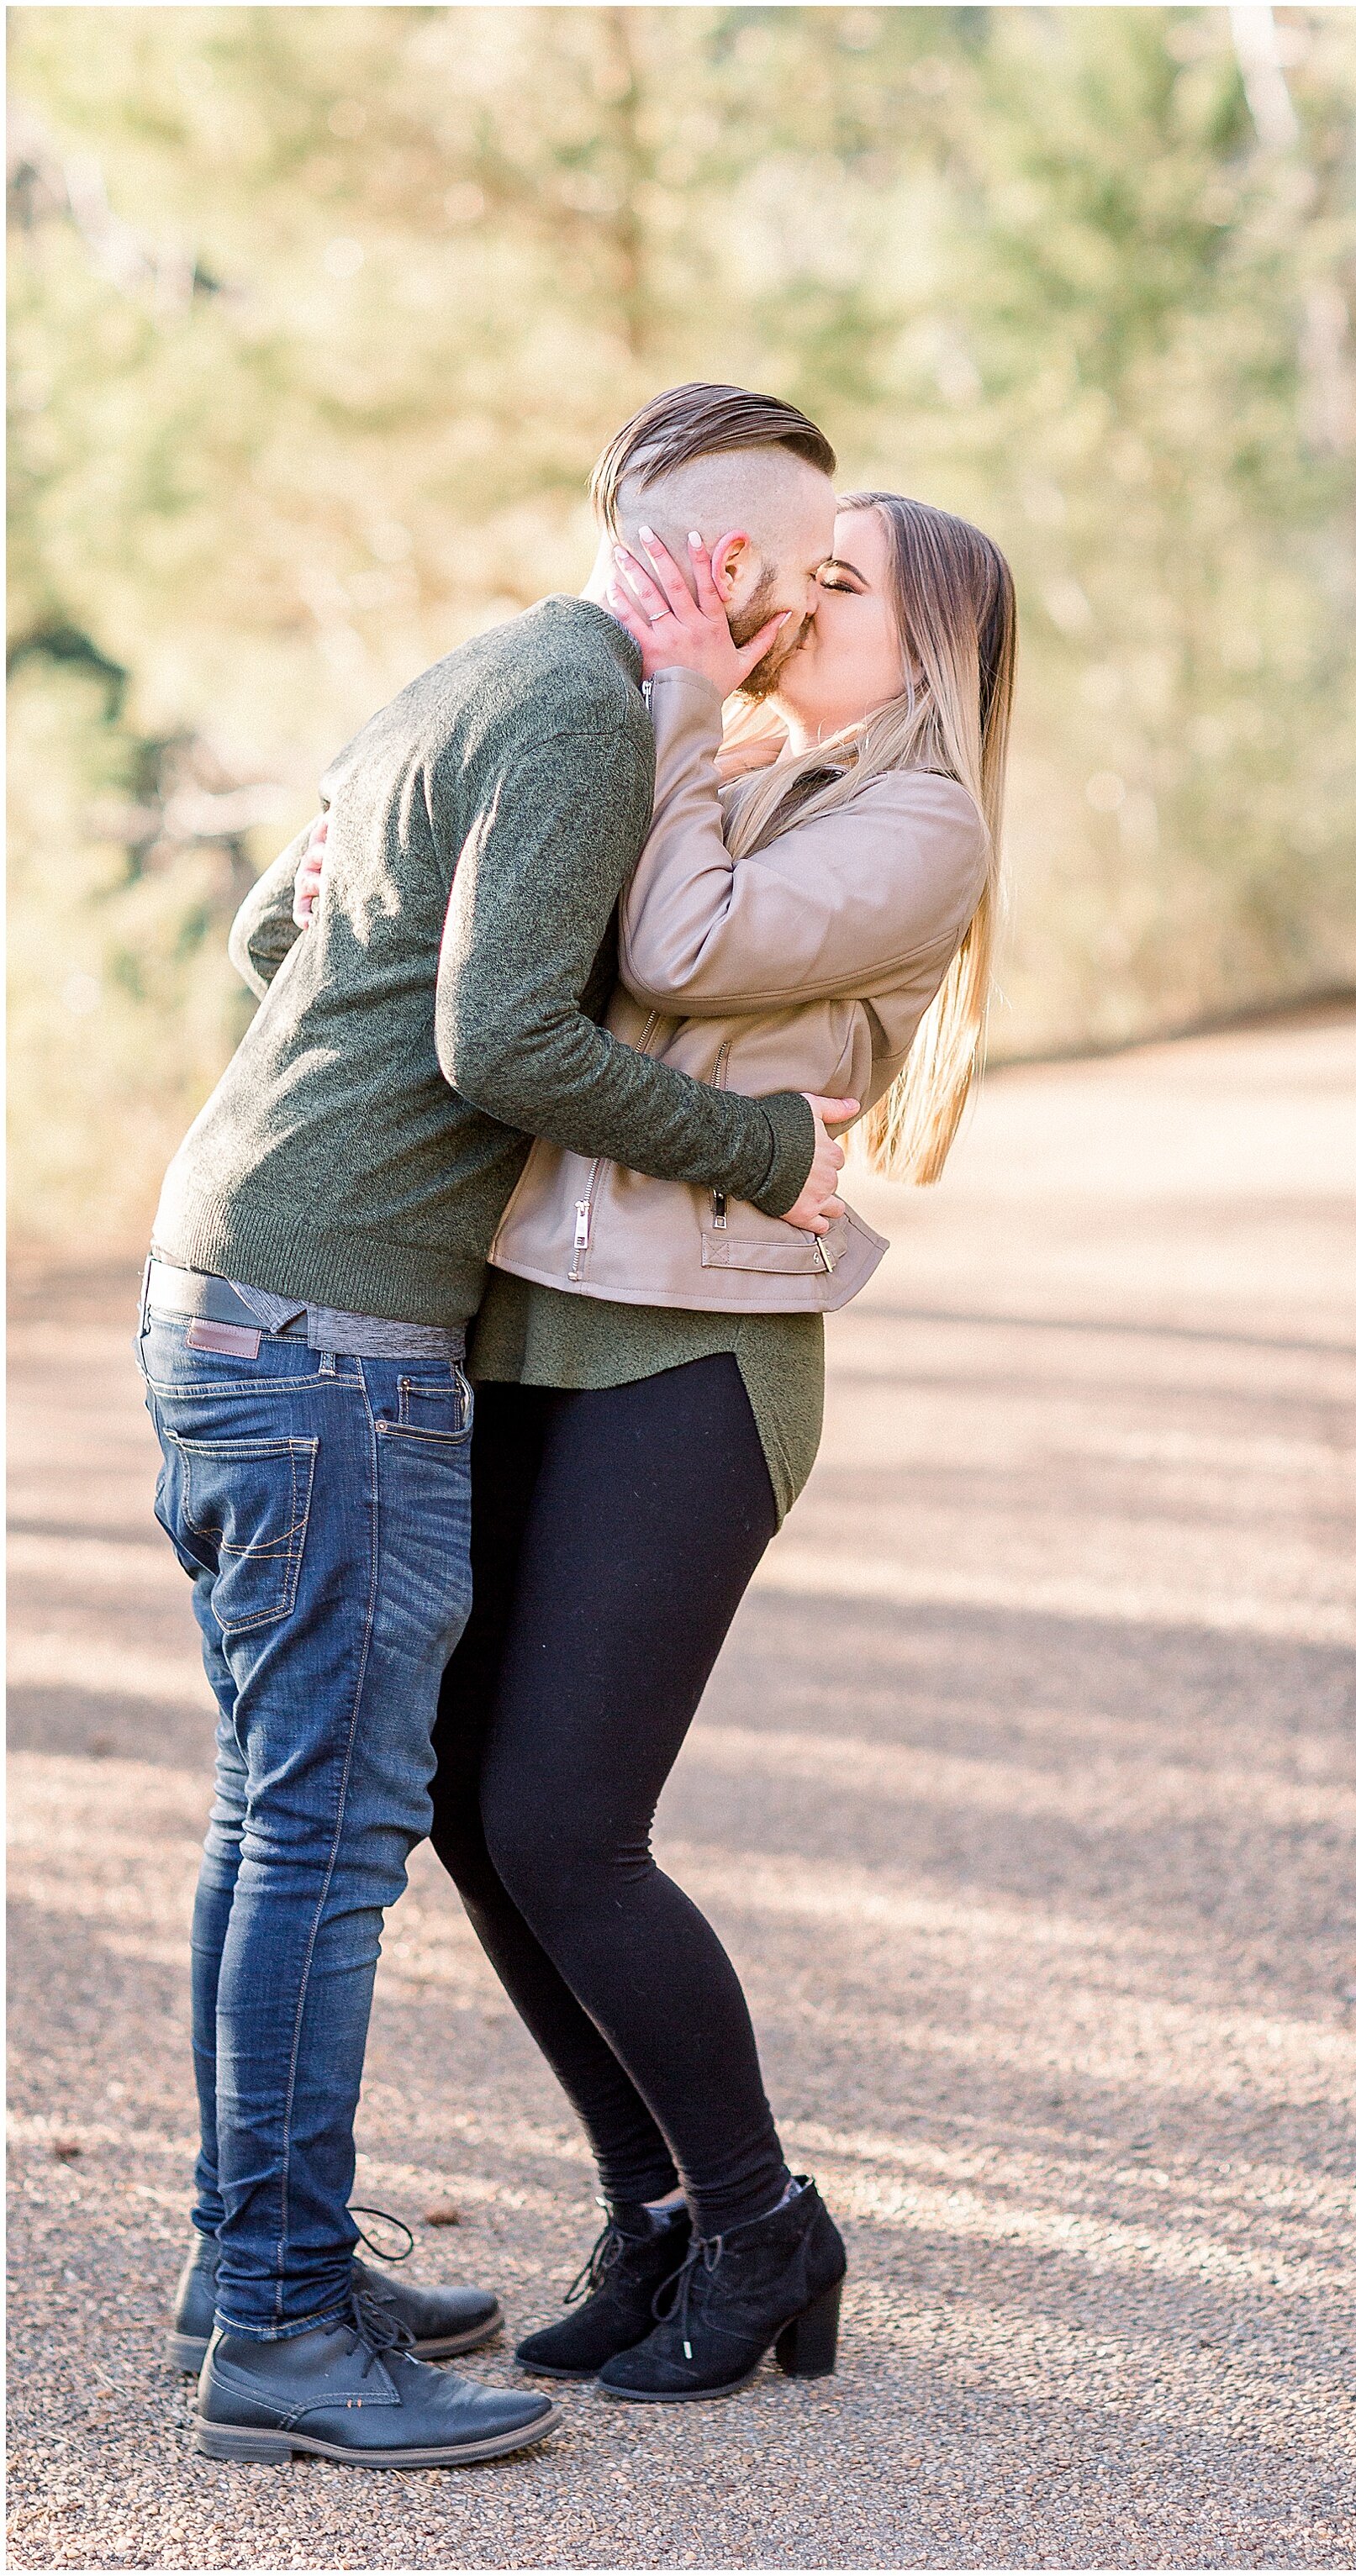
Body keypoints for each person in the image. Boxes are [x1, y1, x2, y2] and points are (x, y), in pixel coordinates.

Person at [139, 383, 858, 2468]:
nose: (817, 602)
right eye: (805, 570)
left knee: (276, 1810)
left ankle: (246, 2253)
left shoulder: (480, 673)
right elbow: (497, 1034)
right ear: (725, 572)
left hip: (238, 1282)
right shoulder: (571, 714)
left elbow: (282, 931)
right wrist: (754, 1144)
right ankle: (278, 2323)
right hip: (327, 1320)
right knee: (324, 1831)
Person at [307, 486, 1018, 2403]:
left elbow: (680, 948)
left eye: (842, 583)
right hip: (539, 1325)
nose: (795, 599)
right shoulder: (731, 762)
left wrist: (681, 695)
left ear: (924, 645)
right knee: (468, 1803)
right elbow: (518, 982)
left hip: (698, 1360)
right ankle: (658, 2216)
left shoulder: (916, 822)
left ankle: (764, 2216)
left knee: (565, 1819)